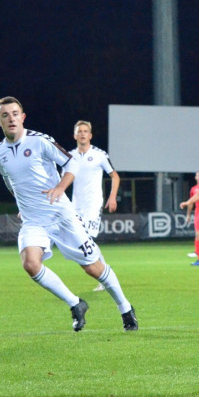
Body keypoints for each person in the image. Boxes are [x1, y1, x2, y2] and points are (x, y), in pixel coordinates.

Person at [0, 97, 138, 331]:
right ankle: (76, 303)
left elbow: (70, 164)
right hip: (33, 220)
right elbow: (10, 181)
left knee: (92, 268)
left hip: (61, 215)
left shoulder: (40, 141)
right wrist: (21, 203)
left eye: (15, 113)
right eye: (5, 115)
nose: (11, 118)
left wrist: (60, 188)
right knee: (30, 263)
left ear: (23, 117)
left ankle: (125, 307)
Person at [69, 120, 120, 291]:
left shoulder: (99, 154)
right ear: (75, 135)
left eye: (85, 131)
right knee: (82, 241)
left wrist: (112, 197)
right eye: (79, 131)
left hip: (93, 203)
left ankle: (104, 276)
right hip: (75, 205)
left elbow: (115, 176)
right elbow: (61, 180)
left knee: (87, 239)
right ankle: (105, 273)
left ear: (90, 135)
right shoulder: (70, 156)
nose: (82, 134)